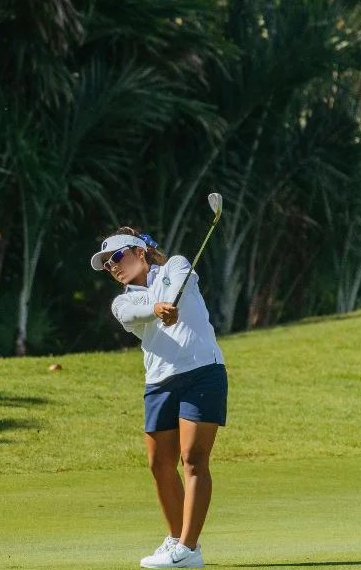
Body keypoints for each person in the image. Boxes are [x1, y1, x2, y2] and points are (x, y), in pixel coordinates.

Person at [90, 227, 228, 569]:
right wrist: (157, 309)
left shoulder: (176, 266)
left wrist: (166, 304)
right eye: (107, 265)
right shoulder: (123, 300)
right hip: (159, 382)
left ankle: (188, 548)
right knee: (159, 464)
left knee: (193, 458)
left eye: (117, 257)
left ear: (140, 252)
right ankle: (176, 538)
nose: (113, 267)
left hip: (202, 370)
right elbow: (134, 314)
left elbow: (180, 282)